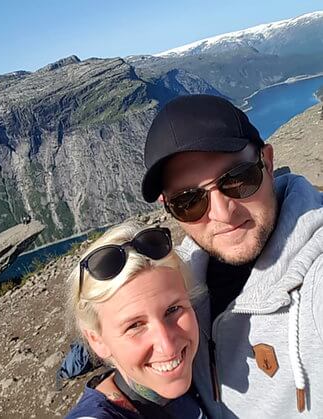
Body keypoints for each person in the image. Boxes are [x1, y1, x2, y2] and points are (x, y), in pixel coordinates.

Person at [141, 94, 323, 418]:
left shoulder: (315, 284)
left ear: (266, 163)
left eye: (238, 179)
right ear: (169, 209)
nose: (223, 213)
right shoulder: (178, 283)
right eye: (189, 201)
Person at [65, 222, 207, 418]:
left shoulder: (198, 371)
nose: (167, 346)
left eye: (173, 309)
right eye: (135, 325)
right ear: (97, 340)